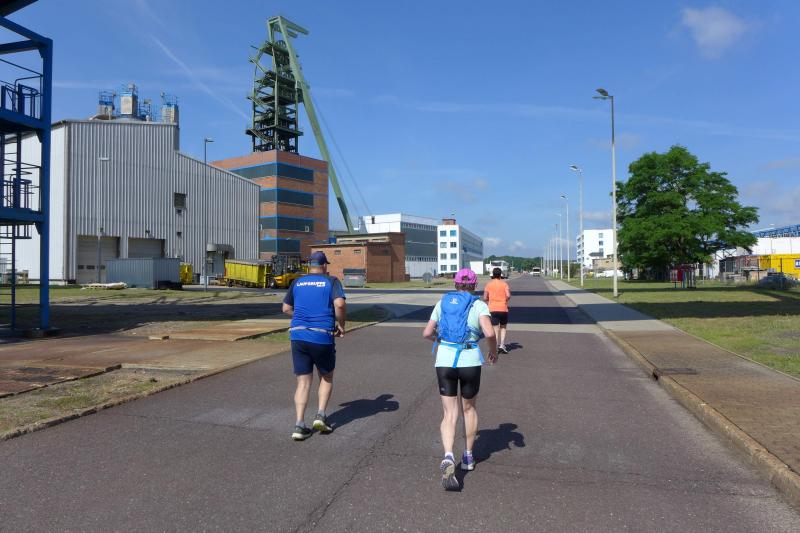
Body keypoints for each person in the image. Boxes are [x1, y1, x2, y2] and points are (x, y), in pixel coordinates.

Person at [423, 268, 497, 490]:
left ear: (455, 284)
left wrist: (441, 341)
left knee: (449, 413)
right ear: (474, 285)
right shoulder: (478, 305)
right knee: (469, 409)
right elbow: (490, 333)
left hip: (445, 361)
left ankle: (448, 455)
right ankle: (467, 456)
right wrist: (493, 351)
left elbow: (426, 333)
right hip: (469, 361)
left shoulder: (442, 303)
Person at [282, 251, 346, 441]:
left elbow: (285, 308)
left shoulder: (297, 282)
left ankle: (299, 425)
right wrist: (341, 325)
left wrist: (302, 317)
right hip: (321, 335)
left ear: (309, 266)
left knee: (303, 383)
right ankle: (320, 415)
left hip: (298, 335)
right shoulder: (331, 281)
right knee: (326, 377)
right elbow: (340, 305)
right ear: (324, 266)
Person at [483, 267, 511, 354]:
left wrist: (490, 299)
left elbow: (485, 297)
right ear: (500, 274)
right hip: (503, 308)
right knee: (503, 327)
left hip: (492, 309)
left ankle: (495, 346)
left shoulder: (488, 284)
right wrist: (504, 300)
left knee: (495, 328)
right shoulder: (504, 284)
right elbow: (508, 295)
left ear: (493, 274)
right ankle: (502, 344)